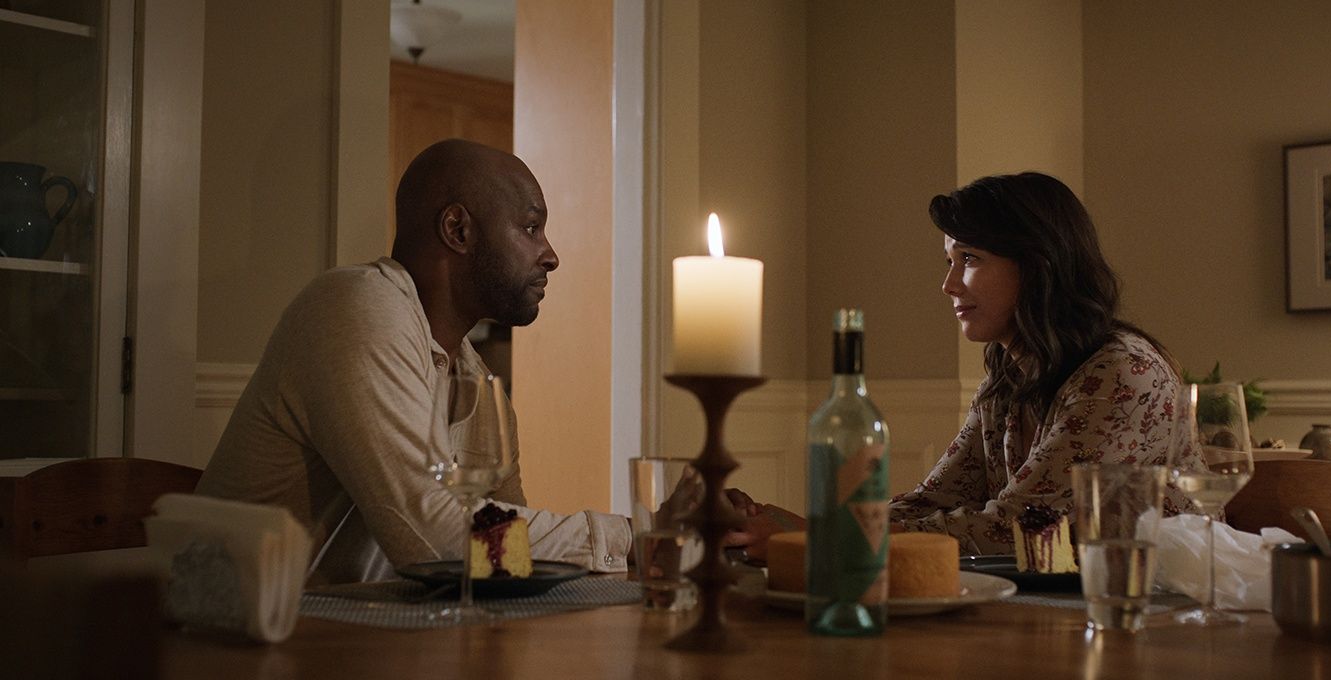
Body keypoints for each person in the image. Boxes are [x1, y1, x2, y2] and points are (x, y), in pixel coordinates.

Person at [196, 139, 632, 583]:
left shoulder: (474, 381)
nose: (550, 255)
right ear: (458, 229)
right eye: (530, 228)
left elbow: (502, 556)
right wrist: (632, 537)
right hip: (229, 639)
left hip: (354, 637)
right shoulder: (356, 305)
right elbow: (436, 539)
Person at [731, 171, 1200, 557]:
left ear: (1039, 266)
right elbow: (935, 501)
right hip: (1062, 606)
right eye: (949, 260)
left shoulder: (1123, 372)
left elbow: (1019, 528)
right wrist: (787, 524)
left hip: (1160, 615)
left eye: (970, 259)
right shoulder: (1008, 372)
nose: (949, 285)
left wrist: (817, 540)